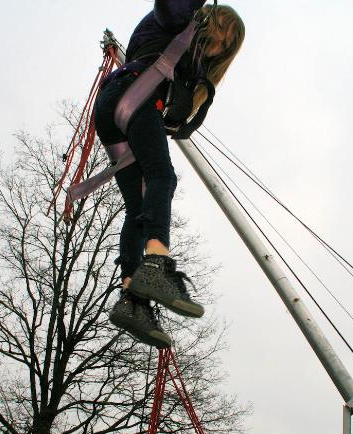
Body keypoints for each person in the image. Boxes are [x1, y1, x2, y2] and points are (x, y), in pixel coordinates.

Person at [94, 1, 245, 348]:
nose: (220, 45)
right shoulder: (176, 23)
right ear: (209, 21)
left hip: (116, 112)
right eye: (221, 33)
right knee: (163, 176)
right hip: (132, 95)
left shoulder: (189, 69)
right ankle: (156, 263)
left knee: (139, 207)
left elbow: (178, 120)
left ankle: (133, 299)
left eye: (228, 44)